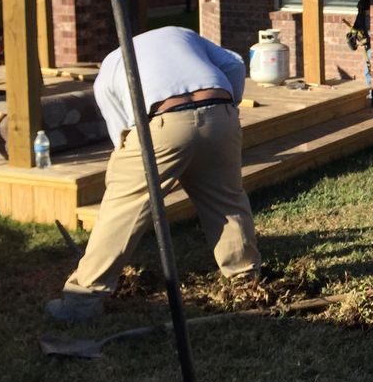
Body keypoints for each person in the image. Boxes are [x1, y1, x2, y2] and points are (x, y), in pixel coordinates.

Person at [46, 26, 261, 322]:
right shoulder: (181, 33)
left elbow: (120, 129)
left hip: (162, 119)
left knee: (122, 210)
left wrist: (128, 169)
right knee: (226, 199)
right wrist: (229, 106)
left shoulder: (111, 64)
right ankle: (245, 279)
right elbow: (234, 64)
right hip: (219, 112)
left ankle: (83, 299)